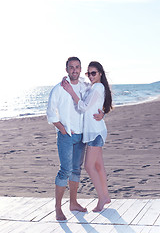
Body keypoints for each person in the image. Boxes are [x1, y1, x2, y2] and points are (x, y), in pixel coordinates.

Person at [47, 57, 104, 221]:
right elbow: (51, 112)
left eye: (77, 67)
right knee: (65, 170)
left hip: (81, 135)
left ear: (80, 70)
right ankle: (58, 208)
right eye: (71, 67)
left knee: (76, 170)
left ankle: (73, 203)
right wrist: (62, 129)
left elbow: (95, 103)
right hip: (66, 136)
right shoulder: (59, 88)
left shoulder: (86, 87)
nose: (74, 70)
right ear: (67, 70)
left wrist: (103, 113)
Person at [62, 61, 112, 212]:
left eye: (93, 73)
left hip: (95, 133)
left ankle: (102, 198)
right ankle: (106, 196)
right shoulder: (92, 86)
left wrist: (71, 91)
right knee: (98, 166)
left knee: (89, 166)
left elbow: (83, 107)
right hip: (94, 132)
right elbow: (78, 80)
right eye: (88, 73)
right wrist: (68, 79)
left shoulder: (98, 87)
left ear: (100, 74)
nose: (90, 76)